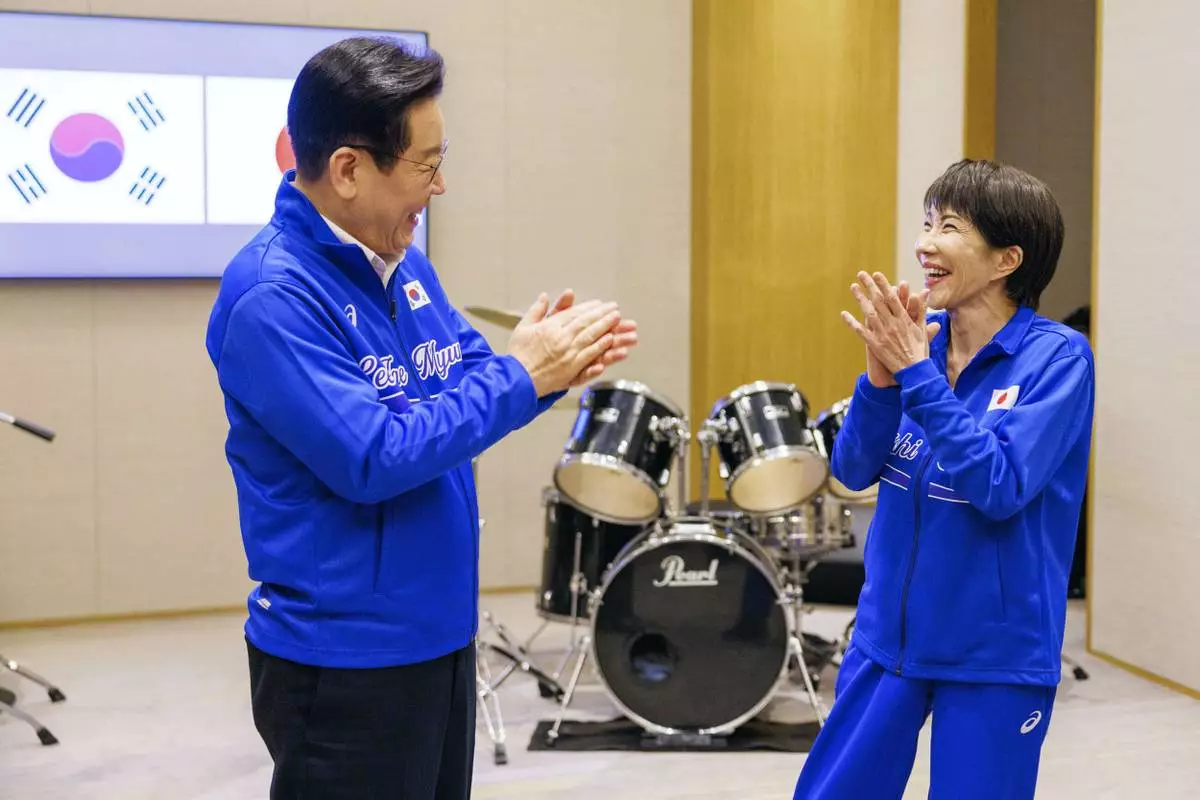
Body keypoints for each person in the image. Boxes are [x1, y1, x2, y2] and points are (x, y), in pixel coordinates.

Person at [204, 37, 637, 799]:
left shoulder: (401, 261)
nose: (440, 186)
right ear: (348, 169)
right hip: (344, 659)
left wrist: (543, 370)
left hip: (436, 634)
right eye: (426, 164)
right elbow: (373, 457)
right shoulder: (273, 296)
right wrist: (521, 375)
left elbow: (470, 375)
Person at [792, 159, 1094, 799]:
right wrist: (879, 380)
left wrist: (916, 377)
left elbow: (999, 486)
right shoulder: (920, 346)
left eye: (949, 227)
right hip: (886, 639)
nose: (925, 244)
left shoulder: (1058, 359)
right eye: (927, 224)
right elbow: (851, 469)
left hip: (994, 655)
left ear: (1007, 259)